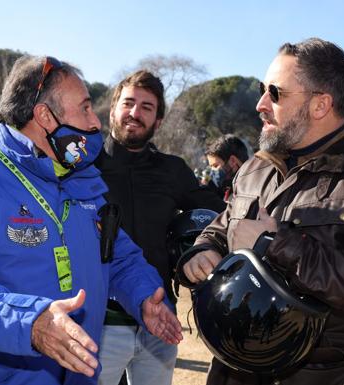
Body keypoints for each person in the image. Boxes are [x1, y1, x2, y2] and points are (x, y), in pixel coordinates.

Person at [0, 55, 182, 385]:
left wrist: (144, 295)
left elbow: (120, 258)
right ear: (44, 116)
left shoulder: (84, 186)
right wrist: (28, 322)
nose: (95, 123)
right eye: (84, 108)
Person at [180, 38, 344, 385]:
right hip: (231, 371)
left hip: (324, 375)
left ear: (320, 104)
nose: (261, 104)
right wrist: (202, 250)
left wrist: (275, 244)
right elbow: (222, 229)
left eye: (275, 93)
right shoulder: (253, 169)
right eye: (261, 90)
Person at [94, 70, 225, 385]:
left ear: (159, 121)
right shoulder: (85, 168)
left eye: (147, 108)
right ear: (113, 110)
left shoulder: (174, 170)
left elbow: (220, 212)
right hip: (99, 324)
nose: (135, 113)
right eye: (128, 103)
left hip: (161, 321)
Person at [204, 134, 249, 200]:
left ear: (233, 161)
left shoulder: (249, 191)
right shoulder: (228, 189)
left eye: (215, 165)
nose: (212, 172)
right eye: (211, 167)